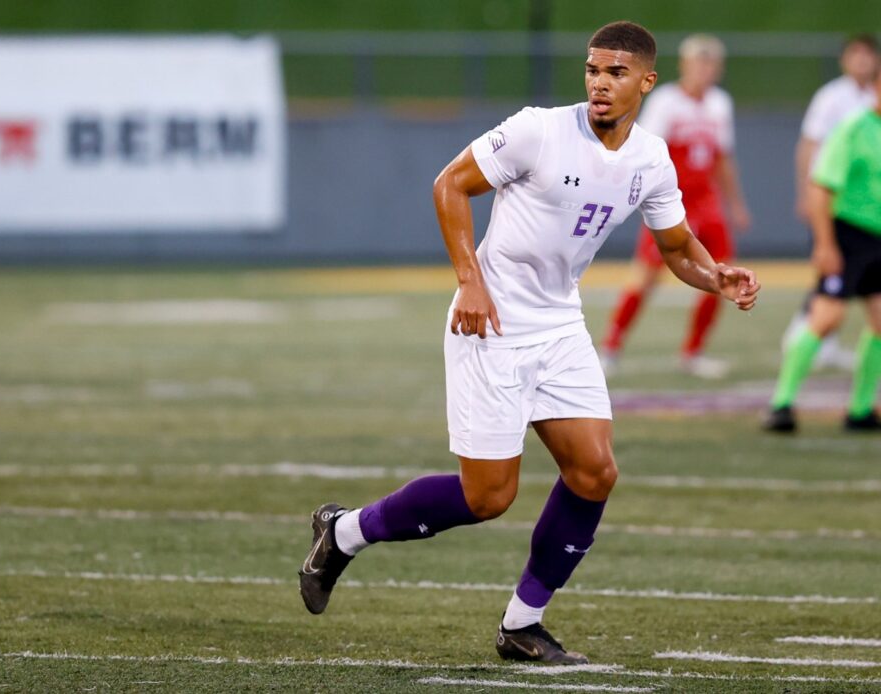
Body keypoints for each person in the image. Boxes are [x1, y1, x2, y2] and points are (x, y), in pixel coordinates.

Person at [298, 21, 760, 665]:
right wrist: (471, 282)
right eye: (593, 70)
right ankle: (344, 532)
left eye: (616, 73)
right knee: (487, 498)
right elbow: (449, 185)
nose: (600, 83)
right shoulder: (537, 130)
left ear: (647, 82)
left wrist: (716, 277)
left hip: (559, 326)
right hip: (489, 324)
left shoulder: (650, 158)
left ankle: (522, 624)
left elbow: (677, 247)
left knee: (594, 472)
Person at [764, 57, 881, 434]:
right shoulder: (854, 128)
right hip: (845, 233)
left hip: (879, 238)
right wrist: (825, 244)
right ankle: (781, 405)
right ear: (875, 89)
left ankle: (860, 410)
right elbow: (821, 186)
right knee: (827, 316)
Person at [599, 33, 752, 380]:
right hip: (671, 200)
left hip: (707, 201)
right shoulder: (666, 101)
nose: (704, 70)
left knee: (720, 273)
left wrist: (735, 204)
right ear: (684, 65)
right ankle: (611, 346)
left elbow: (723, 159)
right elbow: (644, 150)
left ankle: (693, 352)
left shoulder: (719, 104)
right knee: (647, 275)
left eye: (710, 63)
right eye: (699, 62)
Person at [783, 34, 881, 371]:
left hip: (861, 201)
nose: (863, 62)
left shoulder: (877, 97)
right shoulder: (831, 97)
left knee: (849, 269)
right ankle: (801, 334)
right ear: (845, 60)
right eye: (857, 55)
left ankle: (826, 339)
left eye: (869, 56)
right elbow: (809, 146)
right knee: (829, 265)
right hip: (829, 194)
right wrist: (805, 193)